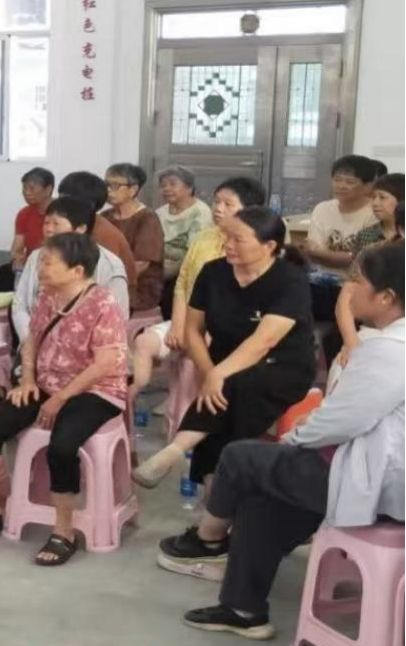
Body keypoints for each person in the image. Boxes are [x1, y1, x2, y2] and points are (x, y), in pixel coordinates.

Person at [159, 243, 404, 641]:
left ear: (386, 297)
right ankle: (243, 609)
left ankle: (208, 539)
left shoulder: (390, 350)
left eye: (358, 282)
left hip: (379, 484)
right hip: (371, 470)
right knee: (262, 500)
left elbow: (344, 419)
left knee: (240, 457)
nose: (349, 290)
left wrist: (296, 438)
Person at [0, 233, 129, 567]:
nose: (41, 268)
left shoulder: (103, 304)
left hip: (95, 389)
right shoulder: (49, 295)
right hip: (47, 382)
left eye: (49, 263)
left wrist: (59, 398)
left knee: (62, 445)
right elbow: (32, 339)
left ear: (77, 271)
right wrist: (28, 380)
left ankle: (64, 531)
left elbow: (105, 363)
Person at [133, 208, 317, 490]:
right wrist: (209, 371)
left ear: (269, 246)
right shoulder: (213, 272)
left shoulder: (290, 280)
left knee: (233, 388)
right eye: (226, 236)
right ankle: (216, 493)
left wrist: (217, 375)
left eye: (238, 239)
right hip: (222, 361)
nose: (227, 244)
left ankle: (176, 453)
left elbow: (264, 341)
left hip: (282, 366)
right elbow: (193, 330)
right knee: (223, 394)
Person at [129, 177, 266, 402]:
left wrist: (200, 331)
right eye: (216, 201)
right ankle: (130, 397)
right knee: (144, 343)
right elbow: (183, 283)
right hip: (189, 320)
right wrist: (178, 324)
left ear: (249, 210)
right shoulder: (203, 238)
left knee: (200, 352)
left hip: (223, 326)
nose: (218, 209)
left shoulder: (255, 246)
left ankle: (193, 408)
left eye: (228, 204)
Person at [13, 198, 129, 344]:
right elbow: (20, 304)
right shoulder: (36, 257)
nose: (49, 229)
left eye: (56, 224)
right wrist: (28, 339)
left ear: (81, 229)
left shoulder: (109, 266)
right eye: (46, 223)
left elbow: (117, 320)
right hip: (37, 343)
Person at [330, 174, 404, 377]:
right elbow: (346, 298)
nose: (376, 203)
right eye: (374, 197)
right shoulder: (374, 252)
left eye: (383, 197)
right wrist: (350, 342)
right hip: (376, 331)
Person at [305, 155, 380, 323]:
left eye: (350, 182)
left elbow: (360, 261)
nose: (341, 186)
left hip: (355, 287)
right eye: (337, 179)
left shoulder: (374, 212)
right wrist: (346, 257)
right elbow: (312, 253)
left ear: (368, 186)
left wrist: (323, 254)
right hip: (320, 283)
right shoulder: (322, 209)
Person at [58, 171, 138, 295]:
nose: (59, 205)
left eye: (66, 200)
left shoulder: (105, 235)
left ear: (88, 204)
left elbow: (99, 281)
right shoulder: (66, 224)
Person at [103, 163, 165, 312]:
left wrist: (110, 285)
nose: (108, 190)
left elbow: (141, 264)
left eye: (115, 185)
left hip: (137, 288)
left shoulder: (147, 218)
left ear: (133, 190)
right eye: (106, 185)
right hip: (107, 282)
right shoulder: (104, 217)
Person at [155, 166, 214, 319]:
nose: (166, 189)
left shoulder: (200, 213)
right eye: (163, 185)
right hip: (159, 268)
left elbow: (192, 254)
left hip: (185, 270)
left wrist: (164, 274)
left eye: (172, 184)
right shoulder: (159, 213)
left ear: (189, 188)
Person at [0, 168, 57, 292]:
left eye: (32, 188)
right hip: (31, 264)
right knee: (0, 277)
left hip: (55, 265)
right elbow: (17, 249)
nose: (27, 193)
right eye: (24, 188)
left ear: (48, 189)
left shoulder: (61, 212)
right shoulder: (24, 213)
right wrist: (17, 259)